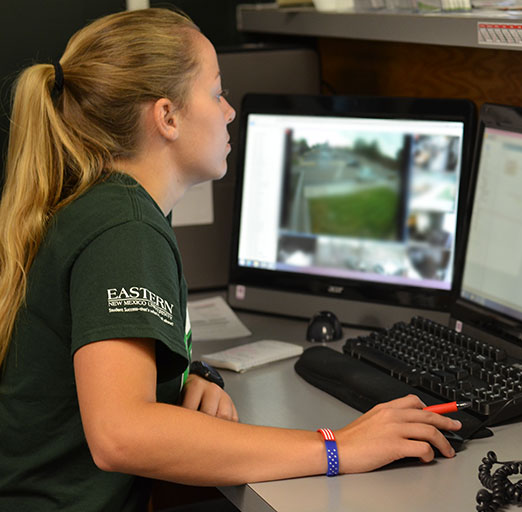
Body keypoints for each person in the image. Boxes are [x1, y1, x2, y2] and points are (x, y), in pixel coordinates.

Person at [0, 8, 461, 511]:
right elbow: (121, 435)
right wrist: (338, 448)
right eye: (216, 93)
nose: (229, 112)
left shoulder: (105, 202)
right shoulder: (125, 229)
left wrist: (184, 377)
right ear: (167, 117)